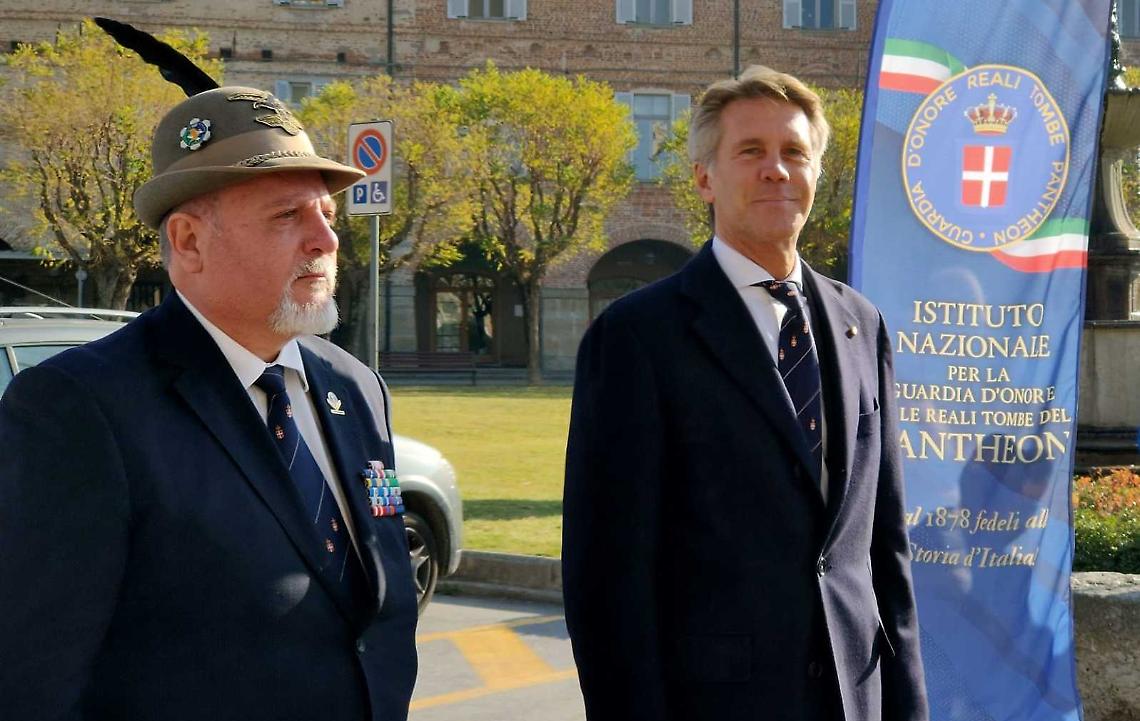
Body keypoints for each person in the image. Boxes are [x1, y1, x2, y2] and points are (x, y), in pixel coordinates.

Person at [0, 87, 417, 720]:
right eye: (288, 216)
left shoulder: (355, 387)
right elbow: (33, 678)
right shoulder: (80, 406)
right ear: (189, 241)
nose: (326, 240)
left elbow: (375, 615)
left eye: (329, 214)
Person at [562, 66, 929, 721]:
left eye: (794, 152)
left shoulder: (860, 324)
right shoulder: (638, 338)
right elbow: (608, 580)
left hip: (856, 699)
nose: (776, 170)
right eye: (751, 152)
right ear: (704, 176)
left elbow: (884, 552)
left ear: (818, 172)